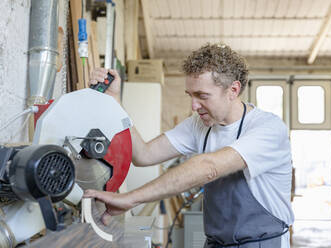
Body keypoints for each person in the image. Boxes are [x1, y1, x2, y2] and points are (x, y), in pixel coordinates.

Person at [86, 43, 294, 248]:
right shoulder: (199, 124)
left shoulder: (268, 128)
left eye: (202, 96)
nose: (194, 106)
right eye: (190, 95)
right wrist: (114, 101)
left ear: (233, 90)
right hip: (216, 243)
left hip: (262, 243)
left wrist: (130, 199)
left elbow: (208, 168)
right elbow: (144, 155)